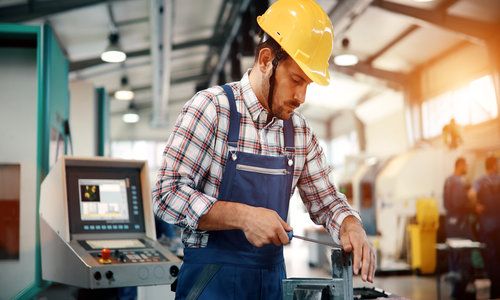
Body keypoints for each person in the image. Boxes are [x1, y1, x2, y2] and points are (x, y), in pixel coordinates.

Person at [152, 0, 375, 298]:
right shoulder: (211, 109)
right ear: (266, 60)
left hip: (270, 285)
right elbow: (166, 194)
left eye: (308, 84)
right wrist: (244, 217)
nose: (301, 96)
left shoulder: (299, 133)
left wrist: (351, 225)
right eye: (296, 80)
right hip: (209, 283)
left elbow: (327, 201)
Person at [443, 157, 476, 299]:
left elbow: (447, 203)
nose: (467, 167)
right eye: (466, 165)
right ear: (460, 165)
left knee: (454, 255)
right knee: (463, 255)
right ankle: (459, 291)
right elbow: (459, 202)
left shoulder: (448, 180)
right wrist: (474, 206)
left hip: (451, 222)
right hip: (460, 224)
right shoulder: (458, 181)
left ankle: (456, 290)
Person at [471, 156, 500, 298]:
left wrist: (477, 206)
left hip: (487, 226)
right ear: (494, 165)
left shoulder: (480, 181)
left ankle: (494, 291)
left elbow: (471, 194)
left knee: (490, 257)